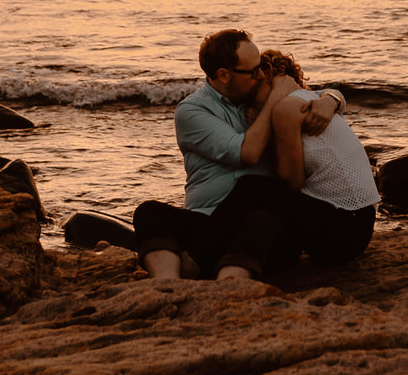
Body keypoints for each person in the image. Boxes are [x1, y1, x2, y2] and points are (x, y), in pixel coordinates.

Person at [65, 28, 342, 283]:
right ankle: (168, 283)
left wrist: (332, 100)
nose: (261, 75)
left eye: (262, 68)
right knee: (149, 212)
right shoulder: (192, 111)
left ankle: (224, 280)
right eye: (253, 71)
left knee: (262, 219)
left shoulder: (260, 94)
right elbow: (247, 153)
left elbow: (312, 96)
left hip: (258, 227)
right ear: (223, 75)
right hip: (207, 223)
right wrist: (272, 103)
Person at [252, 49, 380, 269]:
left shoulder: (286, 108)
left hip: (343, 232)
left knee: (252, 187)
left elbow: (292, 182)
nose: (249, 94)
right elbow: (334, 94)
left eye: (254, 83)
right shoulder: (310, 98)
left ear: (269, 75)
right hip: (360, 227)